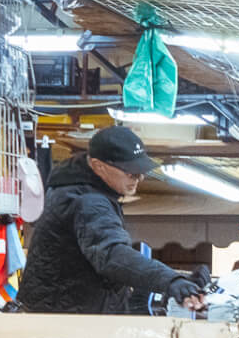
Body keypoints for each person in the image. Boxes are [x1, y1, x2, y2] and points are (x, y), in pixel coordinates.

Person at [16, 126, 207, 314]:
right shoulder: (89, 202)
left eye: (141, 172)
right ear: (99, 166)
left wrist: (178, 280)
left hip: (60, 313)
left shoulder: (72, 190)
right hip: (67, 323)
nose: (138, 178)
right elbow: (111, 255)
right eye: (130, 172)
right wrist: (170, 280)